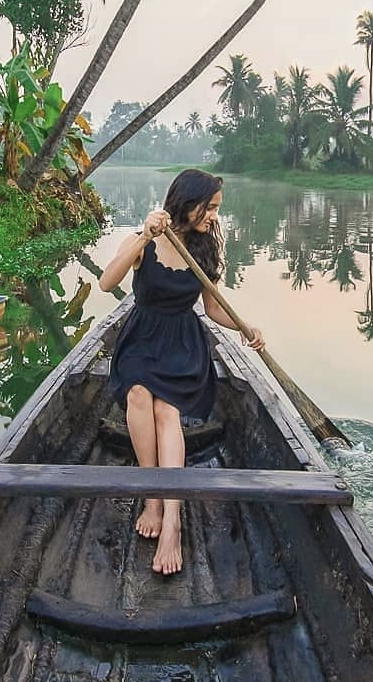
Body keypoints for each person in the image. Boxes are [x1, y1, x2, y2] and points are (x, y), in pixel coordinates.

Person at [99, 168, 266, 576]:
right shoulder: (146, 240)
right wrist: (144, 235)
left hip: (182, 344)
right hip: (141, 337)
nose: (213, 216)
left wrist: (247, 328)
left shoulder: (205, 250)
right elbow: (106, 283)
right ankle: (151, 496)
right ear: (187, 203)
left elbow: (212, 308)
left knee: (167, 412)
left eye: (216, 209)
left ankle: (170, 516)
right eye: (209, 208)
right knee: (138, 395)